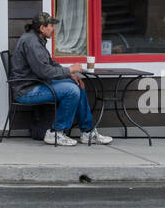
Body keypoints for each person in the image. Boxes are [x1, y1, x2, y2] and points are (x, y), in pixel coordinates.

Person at [8, 12, 113, 146]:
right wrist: (70, 70)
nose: (53, 29)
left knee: (77, 85)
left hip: (36, 84)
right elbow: (45, 72)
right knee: (71, 91)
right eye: (51, 26)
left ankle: (88, 132)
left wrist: (69, 75)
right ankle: (55, 133)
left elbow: (49, 63)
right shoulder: (31, 42)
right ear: (42, 28)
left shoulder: (36, 39)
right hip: (26, 91)